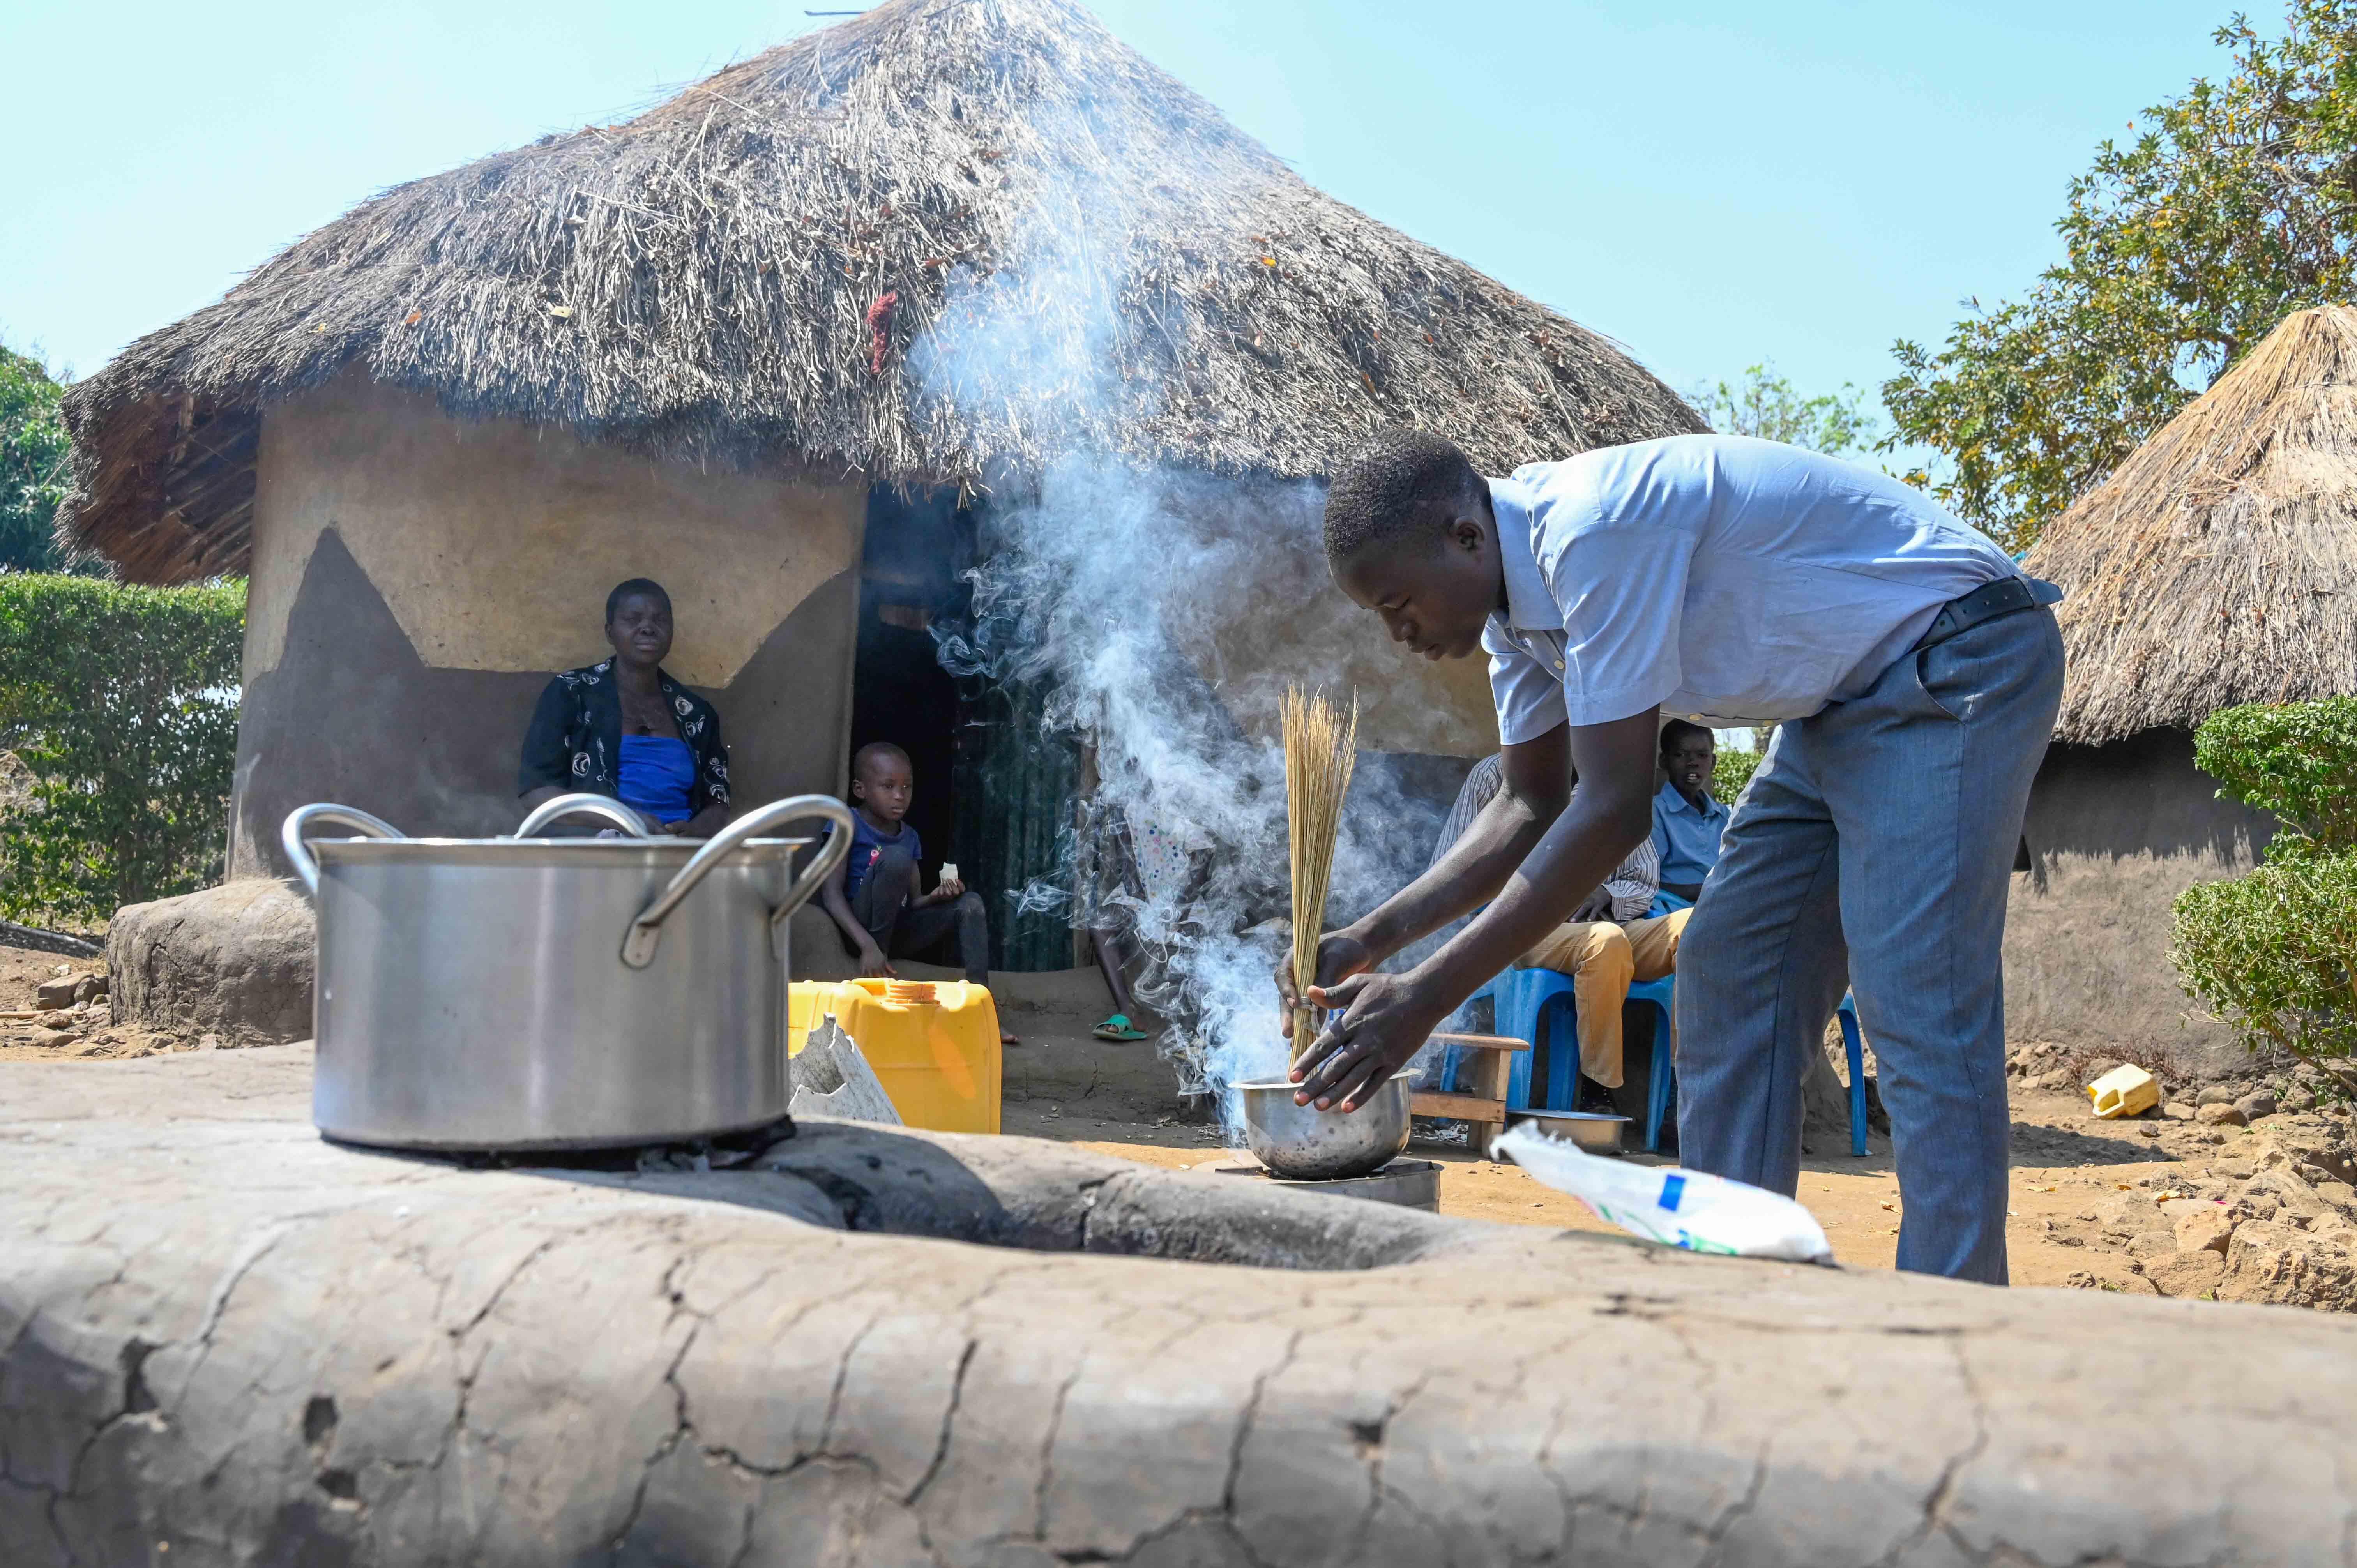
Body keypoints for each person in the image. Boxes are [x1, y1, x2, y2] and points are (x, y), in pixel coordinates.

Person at [1283, 430, 2061, 1285]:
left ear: (1466, 538)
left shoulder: (1592, 535)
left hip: (1952, 657)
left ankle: (1953, 1316)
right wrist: (1369, 939)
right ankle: (1736, 1285)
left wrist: (1426, 996)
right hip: (1832, 709)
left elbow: (1612, 810)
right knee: (1731, 977)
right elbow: (1526, 801)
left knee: (1919, 999)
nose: (1398, 631)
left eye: (1399, 602)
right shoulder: (1516, 619)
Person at [1436, 754, 1685, 1114]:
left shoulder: (1615, 781)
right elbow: (1449, 867)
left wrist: (1608, 894)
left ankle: (1687, 1085)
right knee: (1606, 942)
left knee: (1698, 925)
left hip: (1609, 919)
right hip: (1518, 930)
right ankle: (1598, 1090)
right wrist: (1527, 896)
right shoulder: (1495, 775)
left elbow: (1642, 878)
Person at [817, 742, 1018, 1045]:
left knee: (970, 903)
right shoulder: (846, 823)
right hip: (860, 930)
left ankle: (983, 1012)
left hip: (897, 931)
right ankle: (878, 978)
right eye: (888, 786)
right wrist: (868, 945)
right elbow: (831, 895)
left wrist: (938, 897)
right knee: (895, 858)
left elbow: (914, 902)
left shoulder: (909, 836)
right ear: (860, 789)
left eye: (907, 787)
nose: (900, 796)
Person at [519, 579, 730, 837]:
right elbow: (536, 793)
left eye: (660, 620)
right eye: (633, 619)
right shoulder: (572, 693)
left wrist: (692, 834)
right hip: (598, 856)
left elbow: (717, 803)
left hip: (680, 855)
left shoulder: (696, 714)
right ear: (610, 632)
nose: (648, 629)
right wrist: (624, 820)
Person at [1651, 719, 1728, 903]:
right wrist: (1709, 890)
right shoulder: (1654, 813)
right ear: (1664, 761)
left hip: (1726, 907)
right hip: (1673, 911)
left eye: (1702, 755)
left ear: (1713, 762)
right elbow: (1645, 884)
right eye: (1681, 755)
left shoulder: (1725, 816)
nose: (1693, 763)